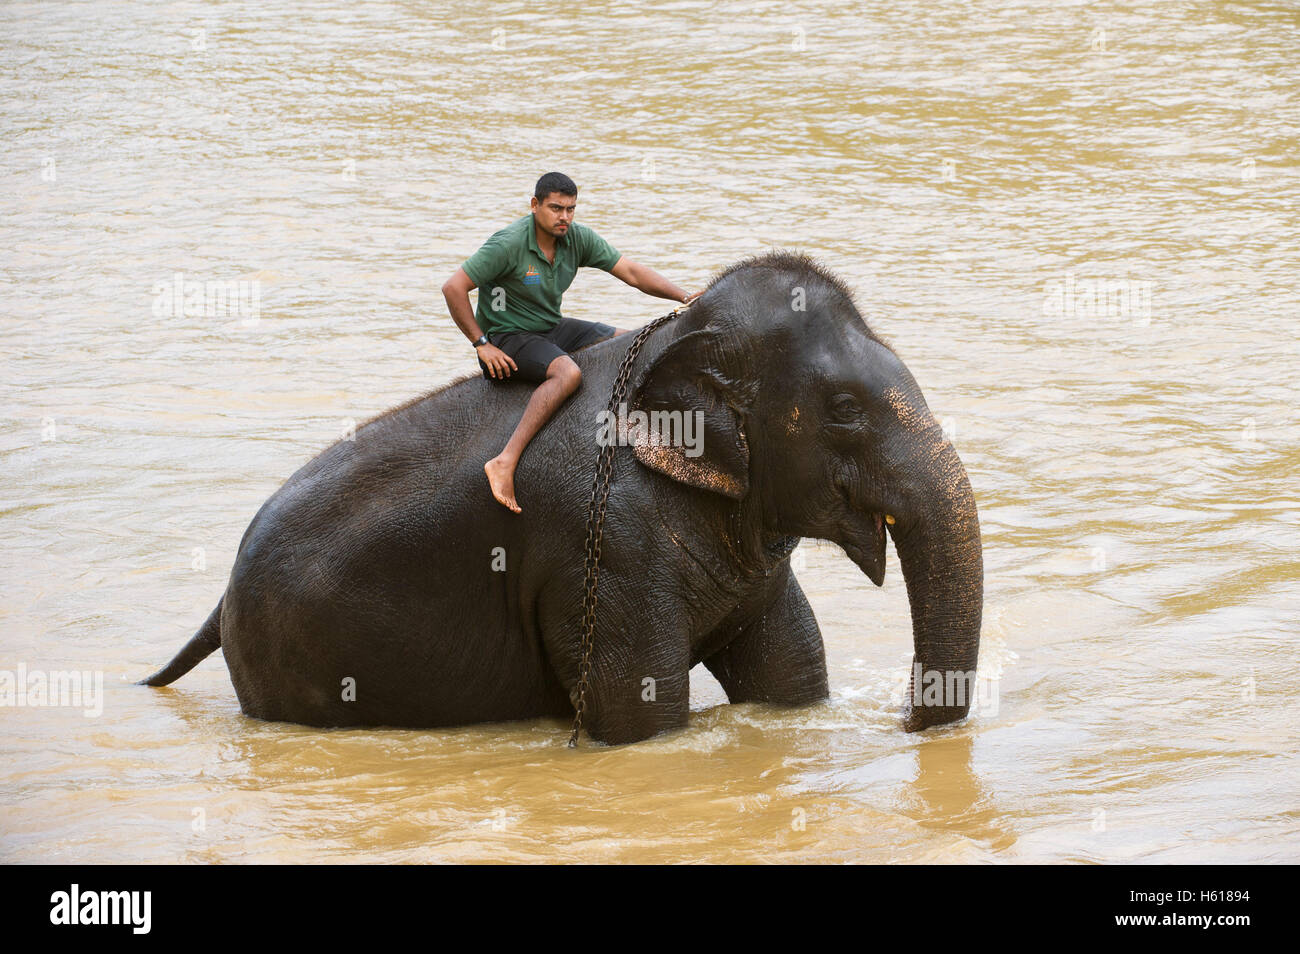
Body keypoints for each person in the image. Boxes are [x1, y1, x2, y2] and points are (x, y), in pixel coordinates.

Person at [443, 172, 698, 513]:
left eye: (570, 209)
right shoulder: (507, 244)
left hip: (549, 327)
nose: (564, 217)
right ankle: (504, 461)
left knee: (635, 341)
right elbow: (453, 288)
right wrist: (481, 343)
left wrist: (685, 297)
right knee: (568, 374)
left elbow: (632, 272)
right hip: (508, 335)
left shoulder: (575, 239)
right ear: (535, 206)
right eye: (555, 208)